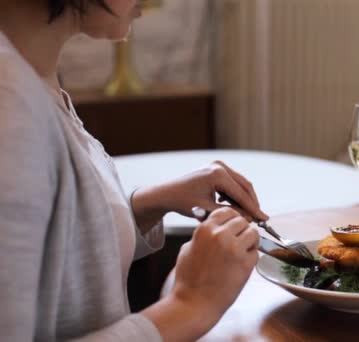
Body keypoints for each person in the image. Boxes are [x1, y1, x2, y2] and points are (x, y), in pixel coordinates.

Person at [0, 0, 268, 340]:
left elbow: (55, 259)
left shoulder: (31, 75)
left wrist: (148, 205)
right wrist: (190, 304)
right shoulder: (9, 104)